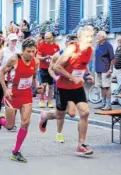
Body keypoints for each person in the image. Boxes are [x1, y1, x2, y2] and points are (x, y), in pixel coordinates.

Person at [39, 25, 95, 156]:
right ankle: (45, 115)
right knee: (60, 115)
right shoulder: (71, 49)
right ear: (80, 38)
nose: (90, 39)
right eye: (87, 36)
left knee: (85, 112)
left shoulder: (90, 50)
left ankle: (80, 145)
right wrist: (72, 77)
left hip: (77, 88)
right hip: (63, 87)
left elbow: (83, 65)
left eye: (92, 36)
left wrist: (87, 75)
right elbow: (57, 66)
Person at [0, 38, 43, 163]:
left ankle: (16, 151)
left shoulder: (35, 62)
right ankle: (1, 120)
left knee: (25, 122)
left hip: (26, 95)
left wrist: (37, 86)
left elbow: (34, 76)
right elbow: (1, 73)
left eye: (33, 51)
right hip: (12, 95)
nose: (31, 54)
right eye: (29, 52)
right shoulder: (14, 59)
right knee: (10, 126)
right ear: (23, 50)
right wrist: (5, 90)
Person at [49, 35, 78, 143]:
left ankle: (49, 114)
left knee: (72, 113)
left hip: (73, 86)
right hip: (61, 86)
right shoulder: (58, 55)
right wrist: (56, 77)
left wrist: (88, 75)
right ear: (66, 44)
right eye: (71, 44)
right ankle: (59, 133)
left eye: (75, 44)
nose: (73, 46)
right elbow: (50, 69)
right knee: (61, 113)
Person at [0, 33, 20, 120]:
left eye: (15, 40)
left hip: (13, 79)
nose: (14, 42)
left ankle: (11, 120)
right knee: (0, 97)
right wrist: (3, 69)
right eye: (12, 40)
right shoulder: (3, 51)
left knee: (13, 98)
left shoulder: (18, 51)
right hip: (3, 77)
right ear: (8, 41)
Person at [37, 32, 60, 108]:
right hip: (43, 67)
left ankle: (49, 101)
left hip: (52, 68)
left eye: (48, 38)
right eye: (45, 38)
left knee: (51, 86)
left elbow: (59, 56)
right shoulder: (42, 46)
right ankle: (42, 100)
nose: (46, 40)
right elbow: (38, 56)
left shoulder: (56, 46)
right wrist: (45, 57)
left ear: (52, 38)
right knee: (44, 85)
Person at [94, 31, 115, 110]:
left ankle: (108, 105)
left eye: (98, 36)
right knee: (102, 87)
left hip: (105, 69)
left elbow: (112, 59)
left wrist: (110, 70)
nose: (97, 37)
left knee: (106, 87)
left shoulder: (108, 46)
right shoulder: (98, 45)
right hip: (98, 69)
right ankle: (103, 104)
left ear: (103, 37)